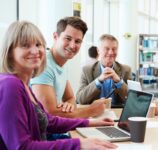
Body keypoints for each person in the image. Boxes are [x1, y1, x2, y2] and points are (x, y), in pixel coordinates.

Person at [0, 21, 117, 149]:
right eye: (25, 45)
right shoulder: (10, 85)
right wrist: (79, 143)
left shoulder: (23, 84)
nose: (35, 51)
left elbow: (49, 120)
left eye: (38, 44)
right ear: (10, 51)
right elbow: (21, 147)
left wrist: (89, 122)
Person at [30, 16, 106, 118]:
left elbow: (71, 98)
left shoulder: (62, 64)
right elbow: (49, 115)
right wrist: (91, 110)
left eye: (78, 41)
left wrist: (69, 105)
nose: (72, 45)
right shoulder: (44, 65)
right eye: (68, 38)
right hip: (41, 132)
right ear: (55, 36)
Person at [76, 34, 131, 107]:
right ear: (98, 51)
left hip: (118, 113)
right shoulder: (87, 70)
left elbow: (132, 100)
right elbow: (80, 99)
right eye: (107, 49)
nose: (111, 52)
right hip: (94, 114)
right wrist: (98, 81)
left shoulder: (126, 70)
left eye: (114, 49)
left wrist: (119, 82)